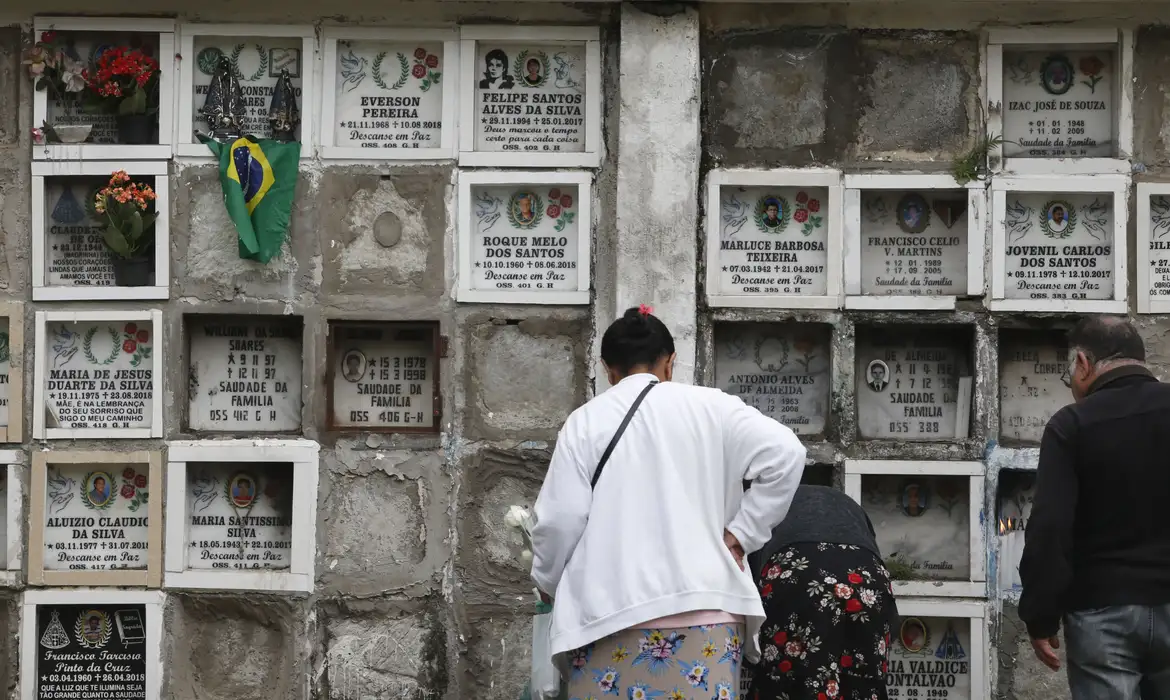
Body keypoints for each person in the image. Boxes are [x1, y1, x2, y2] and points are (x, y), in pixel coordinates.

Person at [531, 305, 806, 699]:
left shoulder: (585, 422)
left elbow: (559, 520)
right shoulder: (715, 408)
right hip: (707, 611)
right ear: (670, 362)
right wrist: (742, 533)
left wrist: (547, 582)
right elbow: (787, 453)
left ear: (609, 369)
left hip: (606, 617)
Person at [1019, 315, 1170, 699]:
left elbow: (1050, 528)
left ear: (1083, 363)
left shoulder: (1072, 425)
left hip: (1101, 613)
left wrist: (1040, 617)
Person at [745, 485, 898, 700]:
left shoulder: (764, 502)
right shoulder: (846, 504)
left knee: (787, 676)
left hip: (798, 569)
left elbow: (746, 587)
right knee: (863, 678)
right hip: (866, 574)